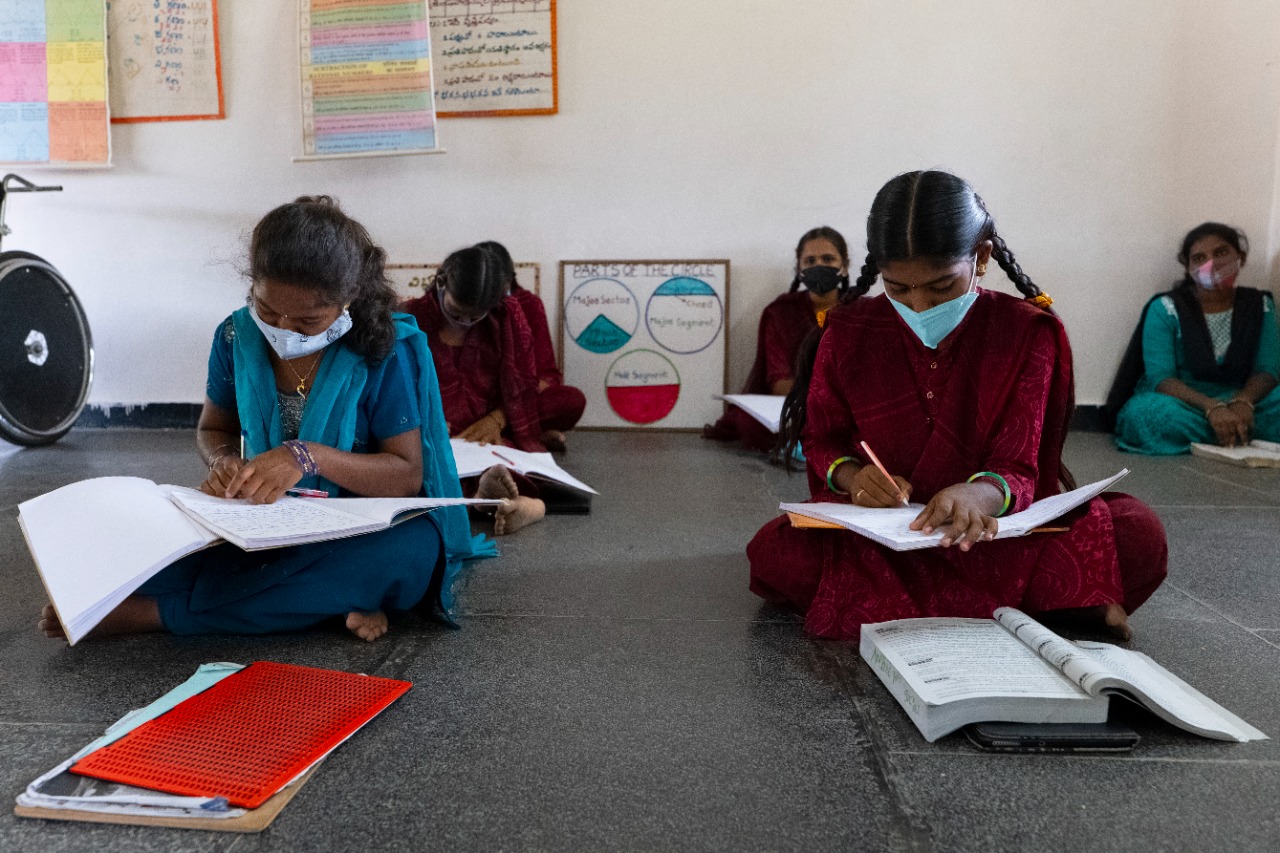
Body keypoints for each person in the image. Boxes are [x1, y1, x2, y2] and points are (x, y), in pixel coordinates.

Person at [39, 196, 494, 643]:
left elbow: (406, 477)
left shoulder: (380, 349)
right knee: (152, 538)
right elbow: (213, 429)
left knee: (408, 552)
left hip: (360, 523)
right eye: (269, 310)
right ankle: (328, 603)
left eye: (308, 321)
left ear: (347, 298)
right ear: (253, 285)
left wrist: (308, 457)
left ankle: (157, 614)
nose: (283, 330)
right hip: (267, 517)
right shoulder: (236, 335)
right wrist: (222, 463)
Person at [747, 171, 1168, 642]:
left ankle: (909, 606)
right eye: (898, 288)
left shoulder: (1025, 332)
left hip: (989, 531)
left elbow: (1020, 467)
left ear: (982, 258)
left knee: (1137, 531)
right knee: (775, 551)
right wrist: (853, 478)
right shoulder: (847, 331)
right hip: (886, 535)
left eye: (941, 287)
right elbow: (822, 440)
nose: (920, 306)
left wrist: (977, 496)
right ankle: (1044, 610)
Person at [401, 245, 547, 534]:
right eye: (457, 313)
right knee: (417, 471)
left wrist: (497, 420)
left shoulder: (505, 319)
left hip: (485, 437)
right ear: (441, 283)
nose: (465, 322)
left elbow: (524, 384)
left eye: (475, 317)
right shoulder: (409, 319)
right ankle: (495, 501)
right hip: (426, 434)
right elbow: (392, 385)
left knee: (514, 466)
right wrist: (423, 423)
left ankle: (509, 501)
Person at [1109, 223, 1280, 454]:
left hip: (1244, 401)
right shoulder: (1165, 308)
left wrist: (1243, 402)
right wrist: (1212, 408)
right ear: (1189, 269)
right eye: (1199, 258)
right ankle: (1237, 432)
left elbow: (1268, 369)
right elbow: (1161, 378)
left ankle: (1230, 428)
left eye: (1221, 253)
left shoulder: (1260, 305)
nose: (1212, 263)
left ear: (1240, 257)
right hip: (1187, 405)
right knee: (1146, 414)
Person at [704, 226, 850, 452]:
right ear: (799, 268)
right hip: (798, 408)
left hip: (846, 407)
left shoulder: (861, 313)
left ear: (845, 266)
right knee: (748, 423)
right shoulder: (780, 313)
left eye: (828, 259)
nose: (818, 265)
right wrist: (819, 399)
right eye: (810, 261)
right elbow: (780, 384)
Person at [475, 240, 586, 452]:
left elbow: (548, 375)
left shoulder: (528, 304)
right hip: (477, 400)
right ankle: (527, 435)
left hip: (519, 399)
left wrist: (503, 412)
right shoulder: (467, 307)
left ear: (509, 280)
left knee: (571, 401)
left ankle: (508, 430)